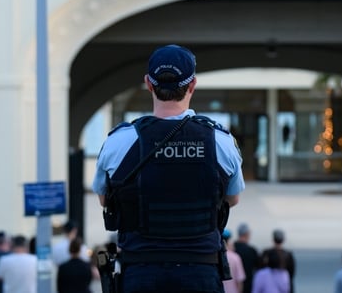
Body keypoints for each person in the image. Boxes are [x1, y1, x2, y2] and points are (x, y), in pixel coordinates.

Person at [92, 44, 245, 293]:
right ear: (192, 85)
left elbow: (104, 199)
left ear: (148, 84)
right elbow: (233, 198)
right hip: (201, 273)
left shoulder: (118, 142)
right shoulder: (220, 142)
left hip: (140, 273)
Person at [233, 224, 259, 293]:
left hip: (232, 287)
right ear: (247, 234)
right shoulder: (252, 251)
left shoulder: (232, 249)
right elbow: (258, 268)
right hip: (248, 287)